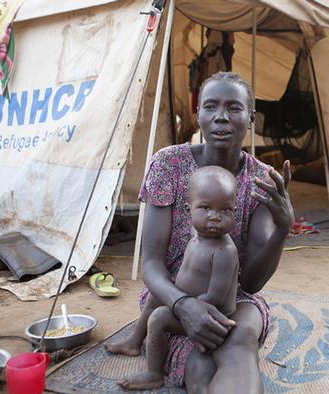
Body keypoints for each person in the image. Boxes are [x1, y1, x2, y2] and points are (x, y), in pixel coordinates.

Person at [105, 71, 294, 393]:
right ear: (199, 115)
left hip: (232, 295)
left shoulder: (262, 179)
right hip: (168, 294)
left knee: (240, 338)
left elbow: (250, 282)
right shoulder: (168, 165)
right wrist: (183, 304)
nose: (221, 117)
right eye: (210, 107)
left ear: (251, 118)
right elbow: (151, 261)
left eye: (234, 108)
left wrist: (283, 230)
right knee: (198, 362)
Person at [116, 166, 241, 389]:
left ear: (235, 212)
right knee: (156, 294)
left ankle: (153, 373)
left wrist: (178, 307)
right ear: (188, 210)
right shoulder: (197, 235)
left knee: (159, 317)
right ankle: (134, 341)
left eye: (225, 210)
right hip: (189, 298)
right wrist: (177, 296)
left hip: (212, 314)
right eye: (205, 208)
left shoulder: (224, 251)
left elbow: (216, 297)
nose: (214, 217)